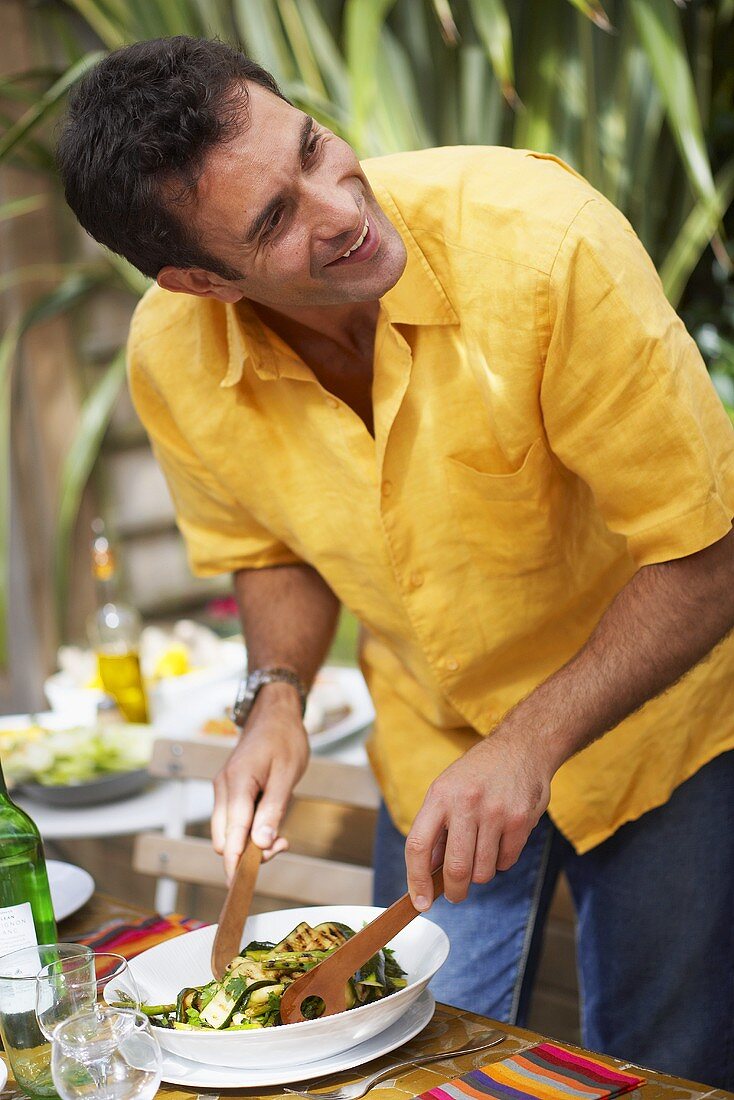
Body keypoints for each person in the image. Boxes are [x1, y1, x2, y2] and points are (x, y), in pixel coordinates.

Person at [56, 36, 734, 1088]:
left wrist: (530, 739)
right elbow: (267, 547)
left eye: (315, 147)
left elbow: (709, 553)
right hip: (432, 748)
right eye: (273, 219)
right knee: (397, 1063)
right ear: (198, 280)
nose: (339, 208)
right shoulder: (167, 354)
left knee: (659, 1071)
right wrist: (273, 694)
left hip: (669, 729)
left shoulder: (543, 245)